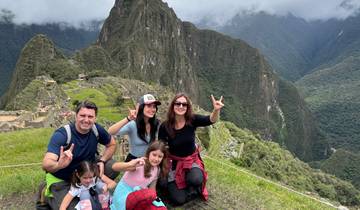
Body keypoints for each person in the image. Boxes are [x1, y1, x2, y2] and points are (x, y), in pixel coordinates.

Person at [39, 100, 143, 210]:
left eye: (90, 116)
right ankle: (47, 193)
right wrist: (59, 165)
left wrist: (102, 161)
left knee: (112, 167)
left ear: (95, 118)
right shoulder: (63, 134)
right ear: (76, 116)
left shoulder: (96, 129)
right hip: (63, 178)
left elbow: (112, 144)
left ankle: (88, 186)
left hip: (87, 170)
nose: (86, 120)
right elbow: (46, 163)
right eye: (82, 115)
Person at [158, 93, 224, 205]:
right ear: (173, 106)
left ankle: (193, 186)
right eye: (178, 103)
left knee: (195, 179)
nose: (181, 106)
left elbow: (210, 120)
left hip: (191, 160)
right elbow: (161, 146)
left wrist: (216, 110)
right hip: (174, 162)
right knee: (177, 200)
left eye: (184, 104)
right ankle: (185, 189)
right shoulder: (165, 126)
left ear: (188, 107)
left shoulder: (192, 120)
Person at [110, 141, 169, 210]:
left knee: (160, 207)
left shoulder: (157, 170)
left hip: (139, 196)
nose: (156, 159)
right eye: (154, 155)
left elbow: (152, 188)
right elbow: (114, 167)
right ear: (149, 153)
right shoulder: (140, 163)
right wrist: (130, 164)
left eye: (160, 156)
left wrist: (156, 201)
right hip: (125, 195)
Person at [108, 94, 161, 162]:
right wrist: (128, 118)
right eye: (149, 106)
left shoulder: (157, 124)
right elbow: (110, 132)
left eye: (154, 106)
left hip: (150, 161)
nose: (152, 109)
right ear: (141, 107)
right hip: (133, 161)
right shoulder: (133, 125)